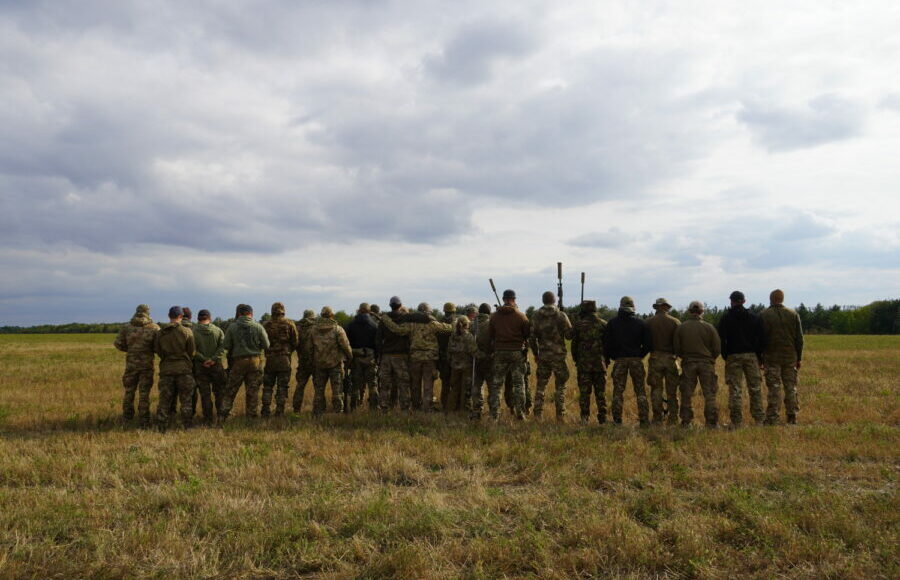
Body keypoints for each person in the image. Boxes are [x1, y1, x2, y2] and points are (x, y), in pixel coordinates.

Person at [379, 302, 453, 411]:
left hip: (415, 357)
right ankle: (427, 407)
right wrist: (457, 321)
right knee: (428, 384)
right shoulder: (433, 324)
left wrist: (385, 319)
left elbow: (397, 329)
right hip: (429, 358)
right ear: (428, 312)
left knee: (415, 384)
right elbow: (449, 328)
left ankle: (416, 406)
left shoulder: (411, 324)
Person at [717, 291, 765, 427]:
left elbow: (721, 339)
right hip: (751, 356)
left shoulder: (725, 318)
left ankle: (737, 421)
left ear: (731, 301)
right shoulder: (754, 318)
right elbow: (761, 339)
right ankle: (759, 420)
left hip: (733, 356)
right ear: (744, 301)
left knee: (735, 390)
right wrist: (759, 356)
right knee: (755, 388)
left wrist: (725, 355)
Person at [604, 296, 652, 426]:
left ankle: (617, 420)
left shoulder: (612, 323)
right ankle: (644, 420)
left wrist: (615, 356)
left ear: (620, 306)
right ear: (633, 307)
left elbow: (607, 344)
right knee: (640, 391)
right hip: (636, 360)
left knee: (618, 391)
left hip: (620, 361)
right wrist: (639, 355)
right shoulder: (641, 323)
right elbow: (648, 344)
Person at [674, 301, 721, 428]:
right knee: (710, 394)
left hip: (688, 363)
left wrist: (686, 357)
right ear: (702, 312)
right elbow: (717, 348)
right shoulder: (709, 327)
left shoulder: (682, 327)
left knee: (686, 394)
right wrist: (709, 359)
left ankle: (686, 422)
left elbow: (677, 348)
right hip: (706, 364)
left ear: (689, 311)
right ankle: (711, 423)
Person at [220, 304, 270, 422]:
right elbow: (267, 345)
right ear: (251, 314)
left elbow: (226, 345)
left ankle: (223, 416)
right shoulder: (258, 327)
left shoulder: (232, 327)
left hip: (238, 362)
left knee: (230, 391)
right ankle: (251, 418)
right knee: (252, 391)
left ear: (238, 314)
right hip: (255, 362)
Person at [760, 289, 804, 425]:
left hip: (771, 357)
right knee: (790, 387)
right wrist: (799, 357)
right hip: (790, 357)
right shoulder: (793, 314)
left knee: (774, 388)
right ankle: (792, 416)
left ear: (771, 299)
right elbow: (800, 339)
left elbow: (760, 339)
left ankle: (773, 417)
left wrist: (760, 358)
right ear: (782, 299)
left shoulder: (764, 315)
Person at [114, 304, 160, 427]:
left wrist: (130, 350)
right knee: (144, 394)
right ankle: (144, 421)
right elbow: (157, 347)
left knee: (129, 392)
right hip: (146, 365)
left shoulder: (126, 327)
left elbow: (118, 344)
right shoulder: (154, 328)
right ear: (148, 313)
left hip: (131, 365)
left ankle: (127, 418)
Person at [529, 291, 573, 421]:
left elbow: (532, 337)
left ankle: (537, 415)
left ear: (543, 301)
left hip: (543, 356)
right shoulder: (561, 315)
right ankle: (560, 415)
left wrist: (536, 353)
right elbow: (569, 336)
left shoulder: (536, 316)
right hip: (559, 357)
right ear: (554, 301)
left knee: (541, 386)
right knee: (561, 386)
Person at [488, 289, 531, 420]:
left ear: (503, 299)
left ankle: (495, 415)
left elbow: (491, 335)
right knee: (519, 384)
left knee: (497, 385)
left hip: (500, 352)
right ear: (514, 299)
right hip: (516, 352)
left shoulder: (494, 317)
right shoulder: (521, 316)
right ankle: (520, 413)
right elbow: (527, 334)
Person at [154, 306, 196, 430]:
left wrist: (167, 358)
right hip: (184, 370)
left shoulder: (160, 333)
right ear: (181, 316)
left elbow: (158, 350)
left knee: (164, 400)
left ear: (169, 316)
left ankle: (162, 425)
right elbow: (192, 352)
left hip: (166, 369)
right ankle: (187, 425)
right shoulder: (187, 331)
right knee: (186, 400)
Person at [570, 300, 608, 424]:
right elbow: (609, 345)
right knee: (600, 393)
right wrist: (606, 360)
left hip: (583, 365)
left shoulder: (579, 325)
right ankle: (602, 418)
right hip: (599, 364)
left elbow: (573, 344)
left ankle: (584, 418)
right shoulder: (603, 324)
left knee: (584, 393)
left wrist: (577, 360)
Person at [645, 298, 681, 425]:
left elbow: (646, 342)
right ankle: (673, 419)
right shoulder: (675, 322)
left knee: (656, 390)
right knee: (672, 391)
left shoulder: (648, 322)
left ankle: (657, 418)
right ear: (666, 307)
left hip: (655, 359)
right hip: (671, 359)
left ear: (656, 307)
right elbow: (678, 343)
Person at [310, 306, 353, 415]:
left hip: (319, 364)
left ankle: (318, 413)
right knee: (337, 391)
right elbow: (345, 346)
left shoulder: (313, 330)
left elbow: (309, 348)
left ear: (321, 315)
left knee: (319, 391)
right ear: (331, 315)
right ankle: (338, 413)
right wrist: (350, 357)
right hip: (335, 364)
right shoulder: (338, 329)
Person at [262, 302, 299, 417]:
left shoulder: (266, 324)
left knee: (268, 386)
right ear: (283, 310)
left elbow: (263, 342)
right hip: (284, 360)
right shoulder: (289, 324)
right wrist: (288, 351)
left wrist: (268, 351)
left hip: (270, 360)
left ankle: (265, 410)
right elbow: (295, 341)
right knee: (282, 387)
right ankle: (279, 411)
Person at [376, 296, 413, 410]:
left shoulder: (384, 319)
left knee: (385, 384)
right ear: (400, 305)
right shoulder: (406, 319)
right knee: (403, 384)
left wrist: (380, 353)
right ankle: (405, 408)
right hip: (401, 356)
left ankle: (384, 407)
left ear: (390, 306)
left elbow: (378, 339)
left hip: (386, 356)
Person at [192, 309, 226, 424]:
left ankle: (208, 418)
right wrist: (213, 359)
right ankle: (221, 416)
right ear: (210, 318)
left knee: (205, 394)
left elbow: (192, 350)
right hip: (216, 366)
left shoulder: (192, 332)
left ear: (198, 319)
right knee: (219, 392)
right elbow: (223, 347)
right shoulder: (218, 331)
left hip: (201, 367)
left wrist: (204, 359)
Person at [345, 303, 380, 410]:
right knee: (373, 384)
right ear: (370, 312)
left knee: (355, 384)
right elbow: (378, 344)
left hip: (356, 357)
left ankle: (353, 407)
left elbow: (347, 343)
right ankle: (374, 407)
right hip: (370, 357)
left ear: (359, 310)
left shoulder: (351, 325)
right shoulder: (375, 325)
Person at [446, 317, 477, 413]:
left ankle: (450, 409)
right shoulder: (468, 336)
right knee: (465, 389)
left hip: (454, 366)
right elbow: (473, 351)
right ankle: (464, 410)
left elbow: (449, 350)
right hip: (466, 367)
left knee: (454, 388)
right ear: (466, 325)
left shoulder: (453, 336)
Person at [470, 303, 493, 419]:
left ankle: (476, 411)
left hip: (476, 359)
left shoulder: (472, 324)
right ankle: (493, 412)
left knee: (477, 386)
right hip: (489, 359)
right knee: (492, 387)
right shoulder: (492, 324)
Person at [293, 309, 317, 412]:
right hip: (316, 362)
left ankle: (296, 410)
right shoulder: (316, 327)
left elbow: (294, 343)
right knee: (318, 388)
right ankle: (317, 411)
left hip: (302, 361)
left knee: (300, 386)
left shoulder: (297, 328)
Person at [437, 302, 460, 411]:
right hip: (454, 357)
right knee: (455, 383)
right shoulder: (457, 323)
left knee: (445, 383)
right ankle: (454, 406)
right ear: (454, 311)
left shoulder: (439, 323)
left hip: (442, 358)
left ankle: (445, 404)